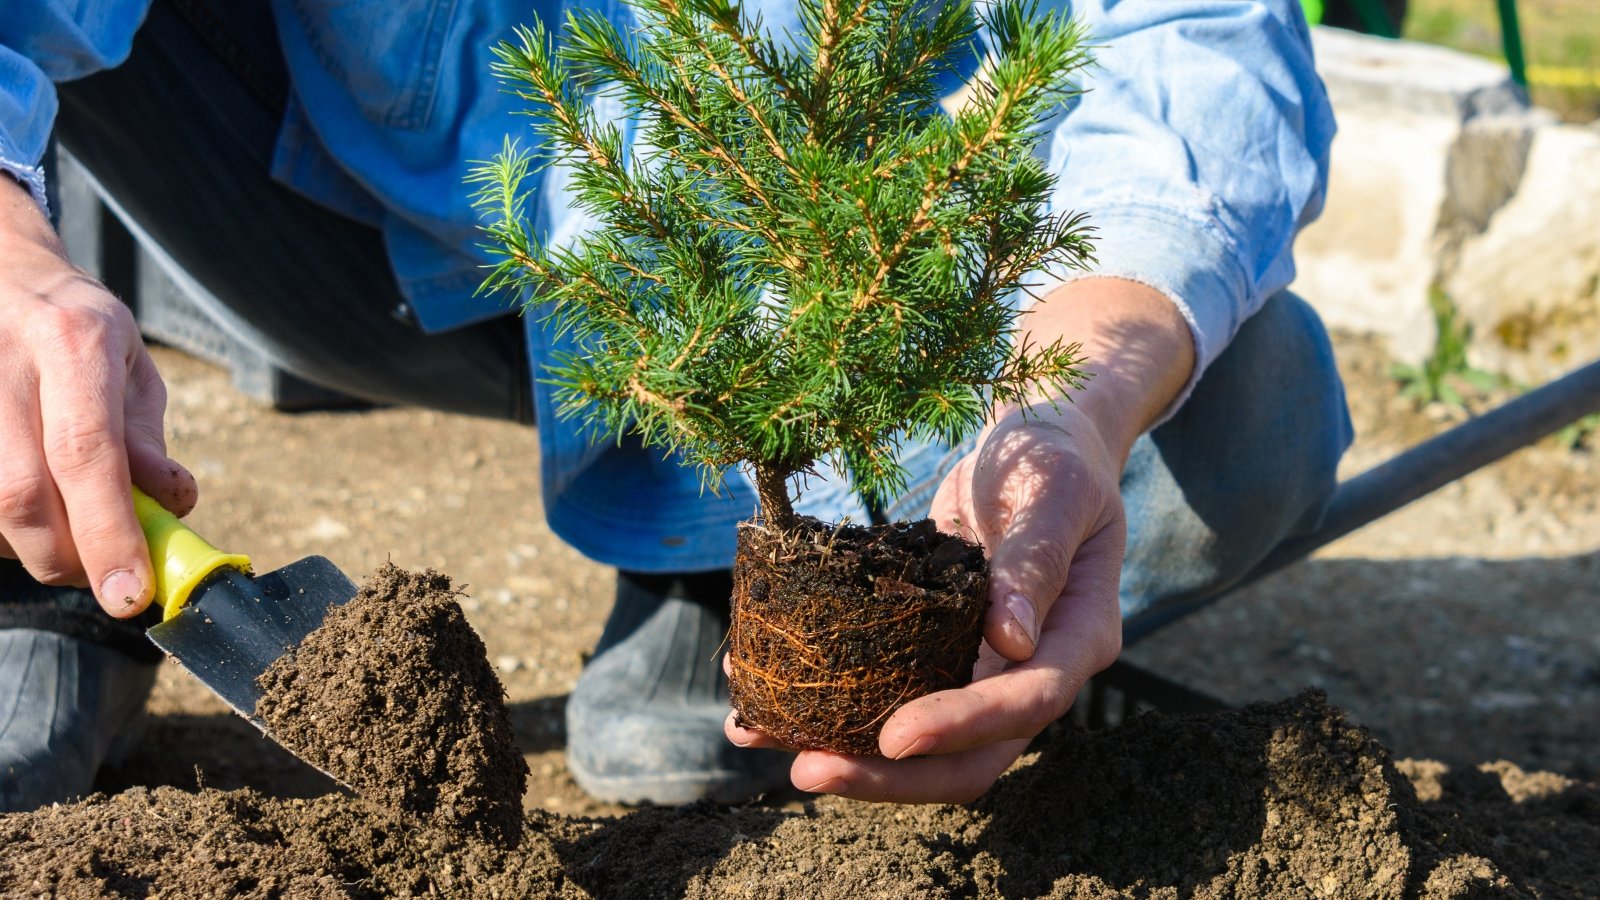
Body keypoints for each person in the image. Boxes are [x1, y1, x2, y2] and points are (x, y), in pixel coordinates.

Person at [0, 0, 1351, 811]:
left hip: (849, 279)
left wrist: (1077, 402)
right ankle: (29, 535)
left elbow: (1187, 36)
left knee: (1248, 412)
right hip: (372, 215)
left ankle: (721, 570)